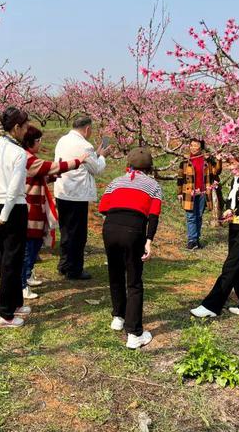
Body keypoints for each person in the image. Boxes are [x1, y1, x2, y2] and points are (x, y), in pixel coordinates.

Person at [99, 147, 162, 349]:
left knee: (115, 273)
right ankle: (134, 334)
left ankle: (118, 316)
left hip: (110, 227)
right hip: (133, 230)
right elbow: (153, 216)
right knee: (134, 282)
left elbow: (103, 208)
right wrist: (148, 240)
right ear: (150, 168)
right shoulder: (153, 186)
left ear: (129, 165)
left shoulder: (116, 182)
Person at [190, 153, 239, 318]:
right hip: (235, 227)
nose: (229, 167)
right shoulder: (235, 181)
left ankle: (211, 306)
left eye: (232, 163)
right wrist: (230, 211)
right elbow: (237, 203)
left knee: (231, 266)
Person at [21, 125, 86, 299]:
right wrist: (78, 161)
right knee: (28, 248)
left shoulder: (30, 158)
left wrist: (50, 176)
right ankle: (22, 283)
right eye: (38, 140)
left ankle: (27, 275)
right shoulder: (26, 158)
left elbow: (41, 175)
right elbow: (50, 167)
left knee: (34, 245)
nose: (40, 143)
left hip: (36, 209)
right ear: (29, 142)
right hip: (30, 211)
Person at [0, 106, 31, 328]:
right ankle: (4, 313)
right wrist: (4, 216)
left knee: (5, 257)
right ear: (17, 127)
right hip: (13, 208)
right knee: (12, 259)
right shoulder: (19, 153)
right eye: (25, 126)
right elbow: (14, 188)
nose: (27, 130)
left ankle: (15, 302)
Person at [54, 116, 109, 280]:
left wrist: (95, 154)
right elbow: (96, 168)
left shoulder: (62, 140)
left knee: (65, 230)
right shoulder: (85, 145)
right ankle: (75, 269)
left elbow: (88, 162)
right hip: (77, 194)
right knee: (78, 234)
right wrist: (103, 155)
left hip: (62, 190)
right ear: (86, 129)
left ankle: (64, 264)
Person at [177, 138, 219, 250]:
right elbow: (180, 177)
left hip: (202, 192)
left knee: (199, 216)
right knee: (191, 216)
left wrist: (217, 160)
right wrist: (179, 192)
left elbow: (216, 172)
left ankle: (196, 239)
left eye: (196, 145)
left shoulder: (206, 160)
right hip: (189, 192)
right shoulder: (185, 160)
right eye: (192, 145)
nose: (193, 148)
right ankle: (192, 240)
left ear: (201, 147)